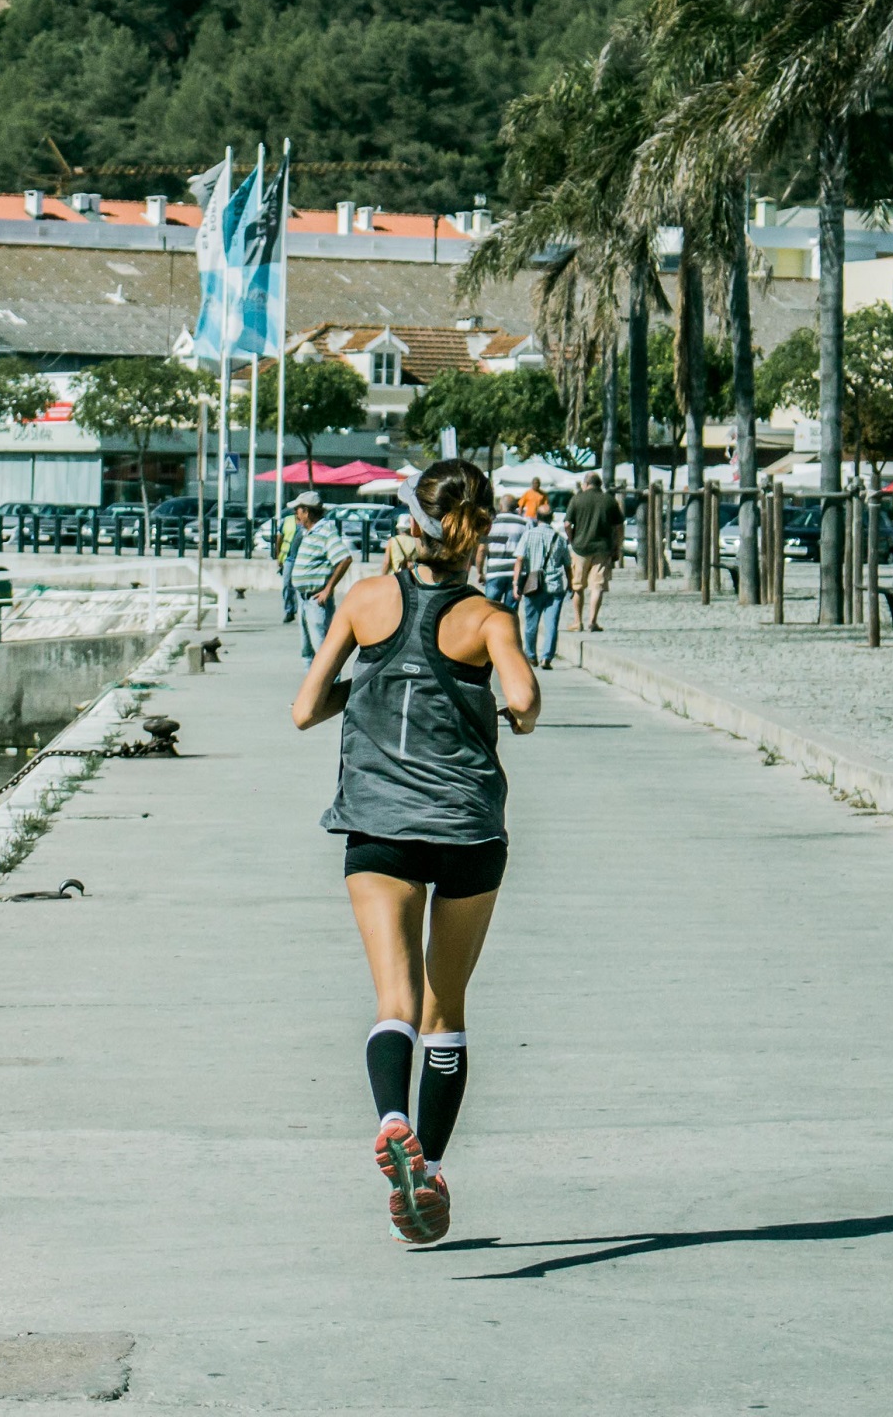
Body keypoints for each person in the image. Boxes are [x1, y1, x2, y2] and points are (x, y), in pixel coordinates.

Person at [293, 459, 540, 1246]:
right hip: (467, 828)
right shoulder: (487, 618)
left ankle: (391, 1117)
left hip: (379, 826)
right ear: (480, 535)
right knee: (447, 1007)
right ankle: (426, 1165)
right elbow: (526, 699)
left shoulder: (365, 600)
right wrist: (512, 716)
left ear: (414, 523)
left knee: (394, 999)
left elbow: (305, 709)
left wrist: (362, 692)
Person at [284, 495, 353, 661]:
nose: (295, 514)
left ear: (306, 512)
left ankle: (330, 686)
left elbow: (344, 558)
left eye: (298, 510)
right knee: (307, 653)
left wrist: (327, 590)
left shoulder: (325, 532)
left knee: (323, 654)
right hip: (303, 599)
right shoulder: (308, 533)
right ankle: (312, 687)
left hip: (316, 600)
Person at [564, 472, 625, 634]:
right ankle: (592, 621)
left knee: (578, 586)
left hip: (580, 548)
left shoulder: (577, 499)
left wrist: (571, 539)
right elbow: (619, 526)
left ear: (586, 484)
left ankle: (577, 622)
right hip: (603, 549)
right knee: (597, 586)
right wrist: (617, 546)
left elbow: (567, 524)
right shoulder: (609, 501)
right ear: (599, 485)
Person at [514, 505, 572, 668]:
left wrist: (516, 584)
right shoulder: (559, 538)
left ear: (537, 518)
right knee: (551, 623)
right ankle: (547, 657)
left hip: (533, 586)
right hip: (555, 587)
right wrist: (570, 584)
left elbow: (519, 560)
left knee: (531, 622)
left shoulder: (528, 535)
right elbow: (567, 564)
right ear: (552, 518)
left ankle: (531, 654)